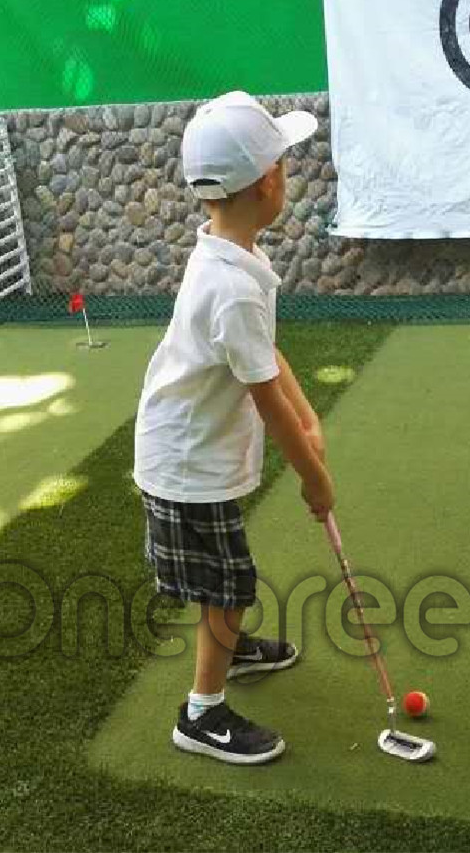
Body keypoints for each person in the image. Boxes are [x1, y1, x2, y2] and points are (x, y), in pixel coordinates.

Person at [132, 91, 334, 764]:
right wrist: (315, 477)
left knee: (225, 577)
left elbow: (266, 361)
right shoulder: (234, 286)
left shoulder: (229, 256)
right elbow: (267, 401)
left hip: (197, 450)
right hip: (187, 463)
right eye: (284, 163)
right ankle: (202, 713)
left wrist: (310, 420)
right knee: (228, 584)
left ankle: (232, 645)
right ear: (270, 182)